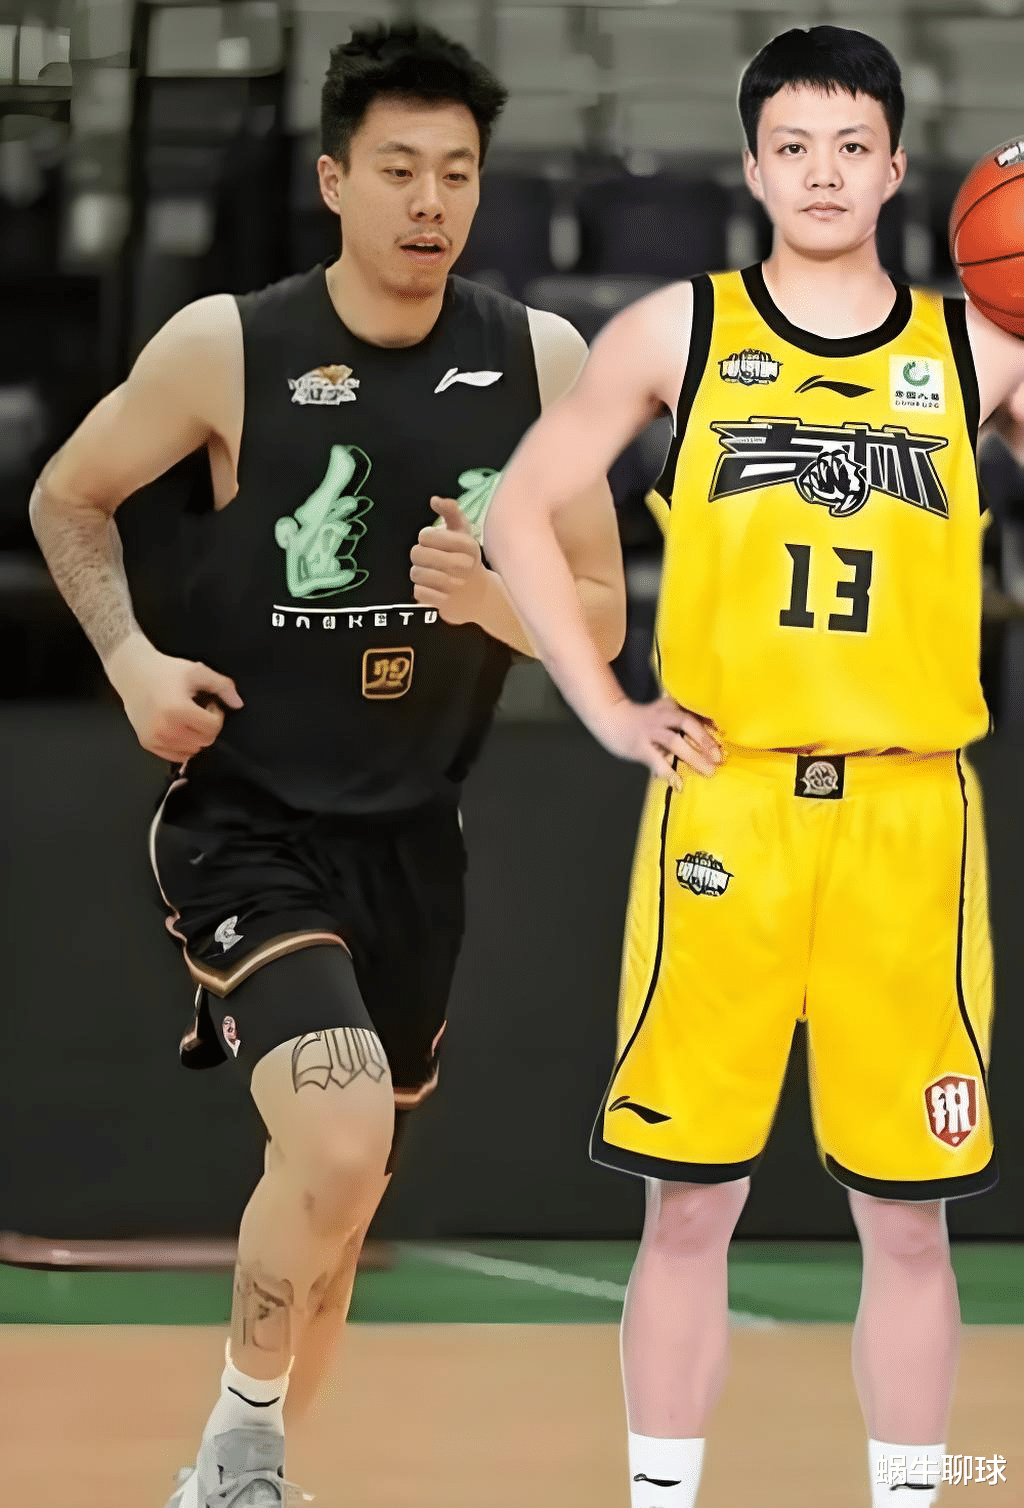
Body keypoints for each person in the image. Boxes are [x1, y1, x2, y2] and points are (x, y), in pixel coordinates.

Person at [29, 21, 625, 1508]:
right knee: (344, 1133)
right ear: (335, 181)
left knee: (343, 1202)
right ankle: (237, 1445)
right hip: (250, 823)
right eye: (400, 169)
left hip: (414, 841)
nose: (431, 200)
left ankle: (252, 1471)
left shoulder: (542, 359)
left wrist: (498, 601)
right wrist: (129, 659)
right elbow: (68, 497)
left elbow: (604, 613)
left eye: (457, 173)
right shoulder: (230, 346)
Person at [483, 25, 1024, 1508]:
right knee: (688, 1206)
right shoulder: (680, 332)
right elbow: (520, 510)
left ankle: (910, 1495)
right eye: (794, 146)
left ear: (899, 170)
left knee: (908, 1222)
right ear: (752, 169)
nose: (823, 172)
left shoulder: (974, 352)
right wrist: (607, 708)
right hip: (729, 801)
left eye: (852, 146)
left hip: (910, 814)